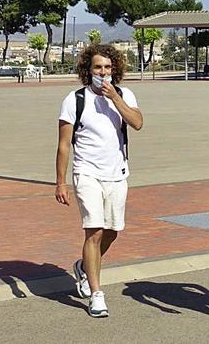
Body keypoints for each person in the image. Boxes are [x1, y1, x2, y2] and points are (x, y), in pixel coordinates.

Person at [55, 44, 144, 317]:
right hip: (87, 172)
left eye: (107, 67)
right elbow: (64, 144)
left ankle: (84, 266)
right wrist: (61, 182)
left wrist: (116, 98)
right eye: (97, 67)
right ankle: (96, 293)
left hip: (117, 173)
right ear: (88, 70)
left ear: (114, 69)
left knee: (112, 231)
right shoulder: (75, 99)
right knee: (93, 230)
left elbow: (138, 123)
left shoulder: (125, 94)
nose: (103, 72)